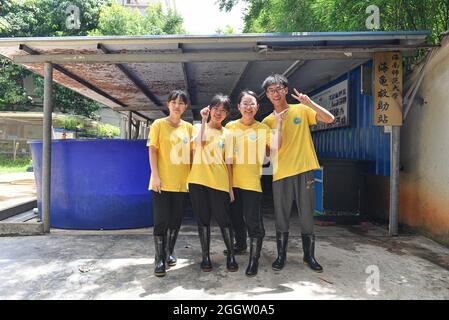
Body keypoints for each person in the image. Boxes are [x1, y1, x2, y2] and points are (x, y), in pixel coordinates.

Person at [261, 74, 335, 273]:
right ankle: (281, 255)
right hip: (281, 173)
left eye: (278, 89)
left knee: (306, 215)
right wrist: (278, 123)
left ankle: (309, 255)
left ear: (286, 90)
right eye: (271, 91)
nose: (275, 93)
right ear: (267, 95)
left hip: (304, 169)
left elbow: (329, 118)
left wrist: (309, 102)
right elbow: (272, 150)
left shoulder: (302, 110)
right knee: (281, 215)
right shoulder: (266, 121)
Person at [225, 90, 286, 276]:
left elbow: (275, 148)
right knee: (235, 219)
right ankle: (241, 245)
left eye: (252, 104)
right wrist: (228, 186)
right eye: (245, 103)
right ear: (238, 107)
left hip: (252, 183)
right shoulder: (230, 127)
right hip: (232, 183)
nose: (248, 107)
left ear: (257, 107)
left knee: (253, 222)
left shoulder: (262, 129)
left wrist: (279, 123)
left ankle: (254, 260)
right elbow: (227, 159)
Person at [187, 94, 238, 272]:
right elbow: (199, 144)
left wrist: (230, 188)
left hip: (219, 182)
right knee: (203, 220)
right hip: (197, 181)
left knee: (224, 220)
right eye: (216, 109)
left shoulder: (229, 134)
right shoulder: (197, 128)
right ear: (210, 109)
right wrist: (202, 119)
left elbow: (229, 163)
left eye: (223, 110)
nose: (219, 113)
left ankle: (231, 255)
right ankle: (206, 257)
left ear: (227, 114)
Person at [147, 90, 193, 277]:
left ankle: (169, 252)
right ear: (168, 104)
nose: (177, 105)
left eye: (181, 103)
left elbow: (192, 154)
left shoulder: (189, 127)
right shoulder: (158, 124)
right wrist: (155, 176)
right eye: (174, 102)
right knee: (161, 221)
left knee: (175, 220)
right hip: (161, 183)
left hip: (182, 183)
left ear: (186, 107)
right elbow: (152, 151)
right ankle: (159, 258)